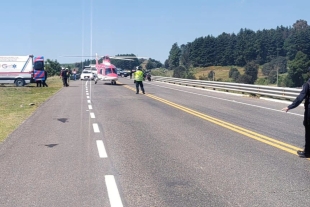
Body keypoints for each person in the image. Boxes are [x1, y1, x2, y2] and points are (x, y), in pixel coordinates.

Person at [282, 67, 310, 158]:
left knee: (308, 131)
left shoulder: (307, 84)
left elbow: (300, 98)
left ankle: (307, 152)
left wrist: (290, 107)